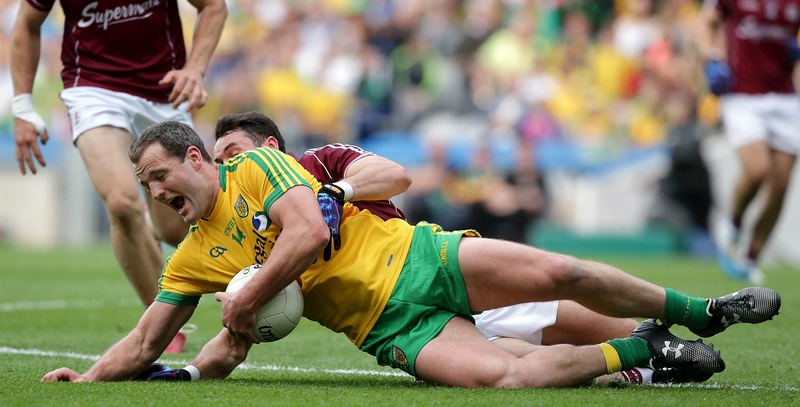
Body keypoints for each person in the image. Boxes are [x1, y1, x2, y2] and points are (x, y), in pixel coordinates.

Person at [41, 121, 781, 388]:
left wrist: (242, 295)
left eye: (158, 178)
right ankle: (649, 358)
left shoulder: (260, 167)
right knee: (508, 381)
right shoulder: (194, 257)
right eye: (144, 187)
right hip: (388, 329)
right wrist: (91, 378)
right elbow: (146, 337)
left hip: (420, 258)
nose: (153, 195)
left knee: (564, 272)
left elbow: (301, 236)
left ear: (200, 160)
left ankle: (704, 312)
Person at [212, 112, 683, 385]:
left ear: (269, 147)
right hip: (397, 319)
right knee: (512, 368)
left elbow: (397, 176)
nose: (226, 167)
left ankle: (677, 340)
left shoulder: (317, 161)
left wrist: (337, 190)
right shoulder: (238, 221)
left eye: (232, 153)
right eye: (218, 161)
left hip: (428, 271)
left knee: (593, 310)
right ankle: (640, 362)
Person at [10, 0, 228, 352]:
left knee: (176, 229)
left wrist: (195, 69)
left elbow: (213, 3)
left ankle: (145, 229)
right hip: (92, 88)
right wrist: (23, 105)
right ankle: (163, 325)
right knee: (121, 202)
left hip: (165, 91)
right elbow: (27, 23)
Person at [698, 0, 800, 283]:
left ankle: (751, 257)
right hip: (742, 94)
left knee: (782, 183)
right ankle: (732, 223)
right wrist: (712, 59)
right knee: (758, 170)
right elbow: (707, 22)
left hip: (785, 96)